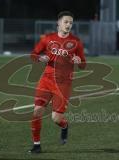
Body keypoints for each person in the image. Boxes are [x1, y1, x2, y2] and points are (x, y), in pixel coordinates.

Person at [29, 11, 86, 153]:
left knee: (56, 118)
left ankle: (64, 125)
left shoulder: (76, 42)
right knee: (37, 111)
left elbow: (83, 64)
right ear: (58, 23)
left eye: (71, 23)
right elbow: (33, 54)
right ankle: (37, 146)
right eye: (66, 22)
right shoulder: (47, 39)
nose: (68, 25)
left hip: (63, 84)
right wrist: (40, 58)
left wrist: (79, 61)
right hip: (46, 80)